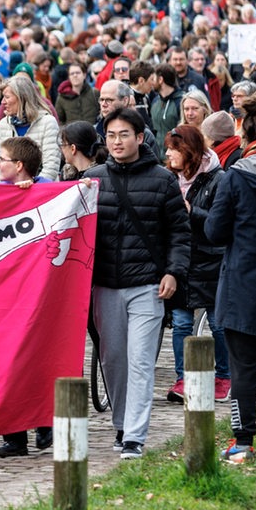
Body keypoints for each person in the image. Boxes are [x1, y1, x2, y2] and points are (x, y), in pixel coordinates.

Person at [83, 107, 190, 460]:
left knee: (141, 360)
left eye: (124, 134)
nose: (117, 141)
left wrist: (173, 271)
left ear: (140, 138)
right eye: (111, 135)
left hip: (147, 284)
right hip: (105, 285)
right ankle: (121, 422)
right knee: (113, 360)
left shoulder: (162, 179)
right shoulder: (92, 178)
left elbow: (179, 231)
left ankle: (134, 435)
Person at [204, 97, 256, 464]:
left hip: (245, 284)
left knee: (243, 369)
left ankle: (243, 443)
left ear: (247, 131)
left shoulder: (236, 174)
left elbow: (215, 231)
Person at [0, 136, 54, 457]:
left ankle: (45, 422)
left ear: (18, 166)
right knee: (6, 362)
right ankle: (14, 437)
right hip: (3, 293)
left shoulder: (48, 190)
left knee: (35, 359)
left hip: (37, 290)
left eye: (1, 159)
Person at [161, 125, 230, 406]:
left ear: (188, 151)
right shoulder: (168, 179)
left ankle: (224, 377)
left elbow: (222, 221)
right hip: (180, 259)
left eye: (174, 148)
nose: (167, 153)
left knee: (218, 323)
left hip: (210, 260)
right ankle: (183, 377)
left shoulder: (218, 178)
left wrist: (193, 212)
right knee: (180, 323)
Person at [0, 76, 61, 181]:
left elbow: (51, 166)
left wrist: (31, 188)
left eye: (7, 97)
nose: (2, 102)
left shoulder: (48, 122)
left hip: (41, 190)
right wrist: (3, 188)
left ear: (22, 98)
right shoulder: (4, 124)